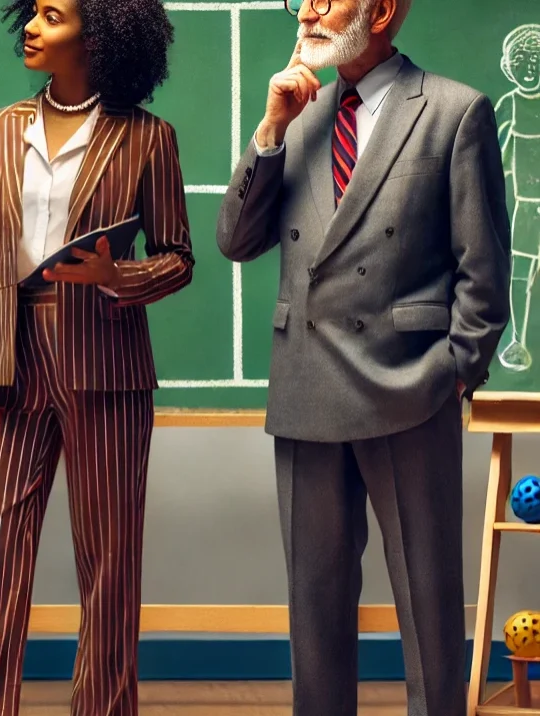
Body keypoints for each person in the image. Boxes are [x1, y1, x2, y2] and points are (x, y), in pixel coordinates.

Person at [216, 0, 510, 714]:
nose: (309, 11)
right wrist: (270, 130)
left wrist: (450, 374)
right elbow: (235, 240)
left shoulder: (453, 111)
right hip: (306, 389)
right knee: (314, 613)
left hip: (409, 392)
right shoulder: (299, 113)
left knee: (429, 608)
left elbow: (485, 273)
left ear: (379, 10)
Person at [0, 0, 193, 712]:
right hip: (13, 368)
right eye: (34, 13)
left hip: (108, 367)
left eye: (51, 15)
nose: (33, 28)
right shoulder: (0, 129)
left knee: (108, 569)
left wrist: (121, 276)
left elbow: (178, 259)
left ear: (100, 35)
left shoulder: (148, 138)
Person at [495, 23, 540, 371]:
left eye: (536, 59)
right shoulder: (508, 106)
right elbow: (492, 157)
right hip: (526, 206)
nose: (530, 67)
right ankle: (519, 341)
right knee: (521, 272)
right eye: (522, 60)